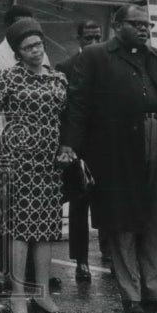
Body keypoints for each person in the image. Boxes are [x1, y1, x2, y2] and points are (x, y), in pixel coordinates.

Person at [63, 5, 157, 313]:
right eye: (137, 24)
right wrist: (70, 145)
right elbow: (78, 103)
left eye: (147, 25)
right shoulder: (95, 56)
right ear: (117, 25)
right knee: (122, 219)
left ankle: (155, 291)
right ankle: (131, 296)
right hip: (116, 147)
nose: (144, 29)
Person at [0, 17, 69, 313]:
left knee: (46, 228)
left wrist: (67, 147)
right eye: (28, 47)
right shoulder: (8, 78)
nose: (36, 50)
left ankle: (42, 293)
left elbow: (67, 119)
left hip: (49, 163)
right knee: (19, 229)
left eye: (39, 44)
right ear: (17, 52)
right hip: (17, 160)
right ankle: (17, 294)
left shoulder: (59, 79)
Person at [56, 19, 109, 283]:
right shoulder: (65, 68)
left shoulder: (110, 64)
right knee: (79, 204)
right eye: (88, 38)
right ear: (79, 39)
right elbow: (64, 112)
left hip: (107, 144)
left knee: (109, 200)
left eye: (98, 37)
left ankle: (110, 251)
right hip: (78, 146)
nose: (94, 42)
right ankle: (81, 260)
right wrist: (68, 146)